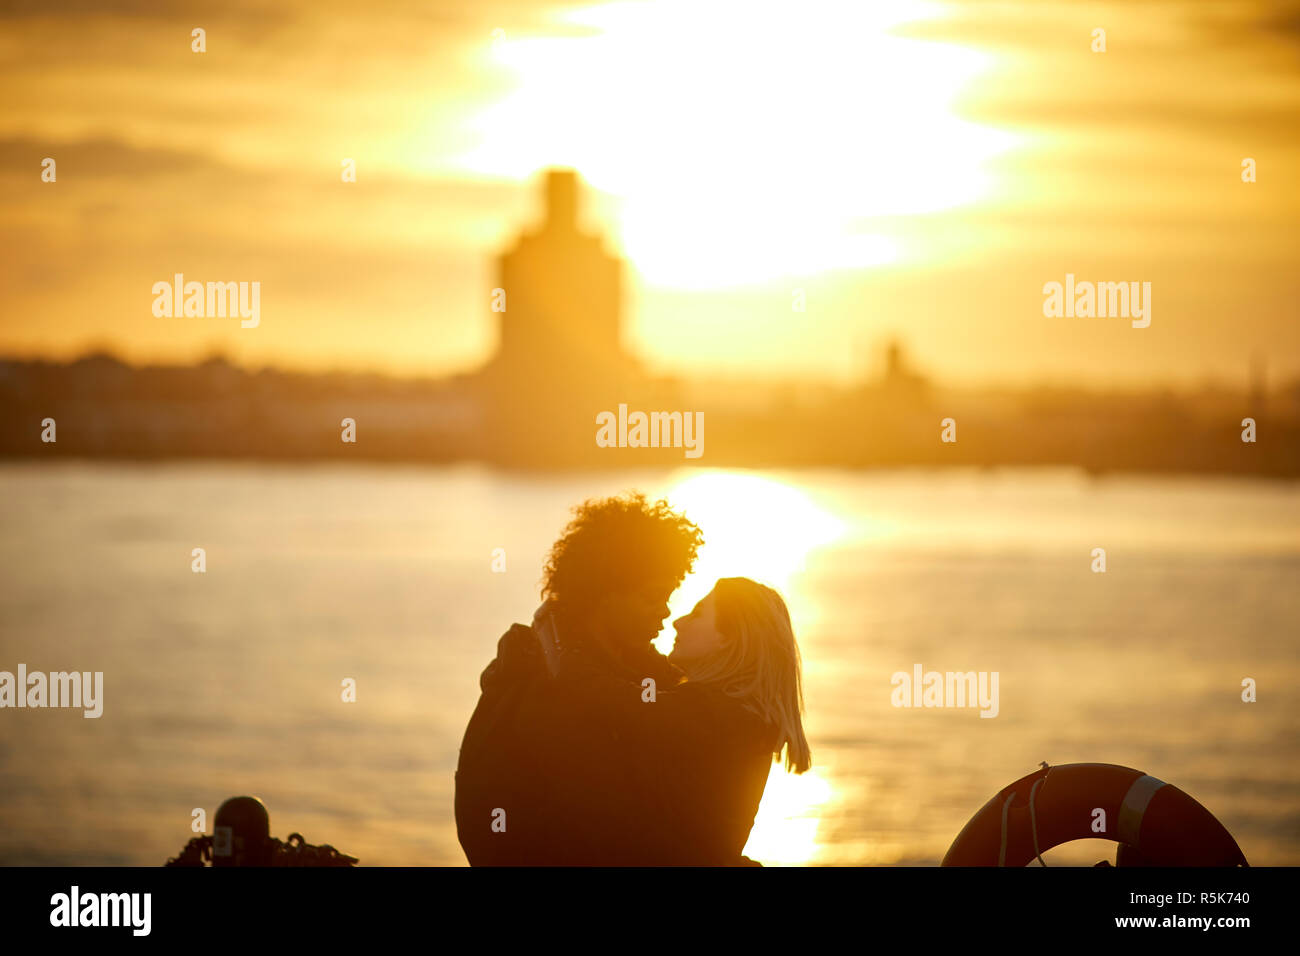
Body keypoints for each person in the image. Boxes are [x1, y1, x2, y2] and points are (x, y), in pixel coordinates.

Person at [453, 492, 702, 865]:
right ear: (604, 594)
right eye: (652, 598)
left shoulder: (639, 674)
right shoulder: (541, 689)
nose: (665, 612)